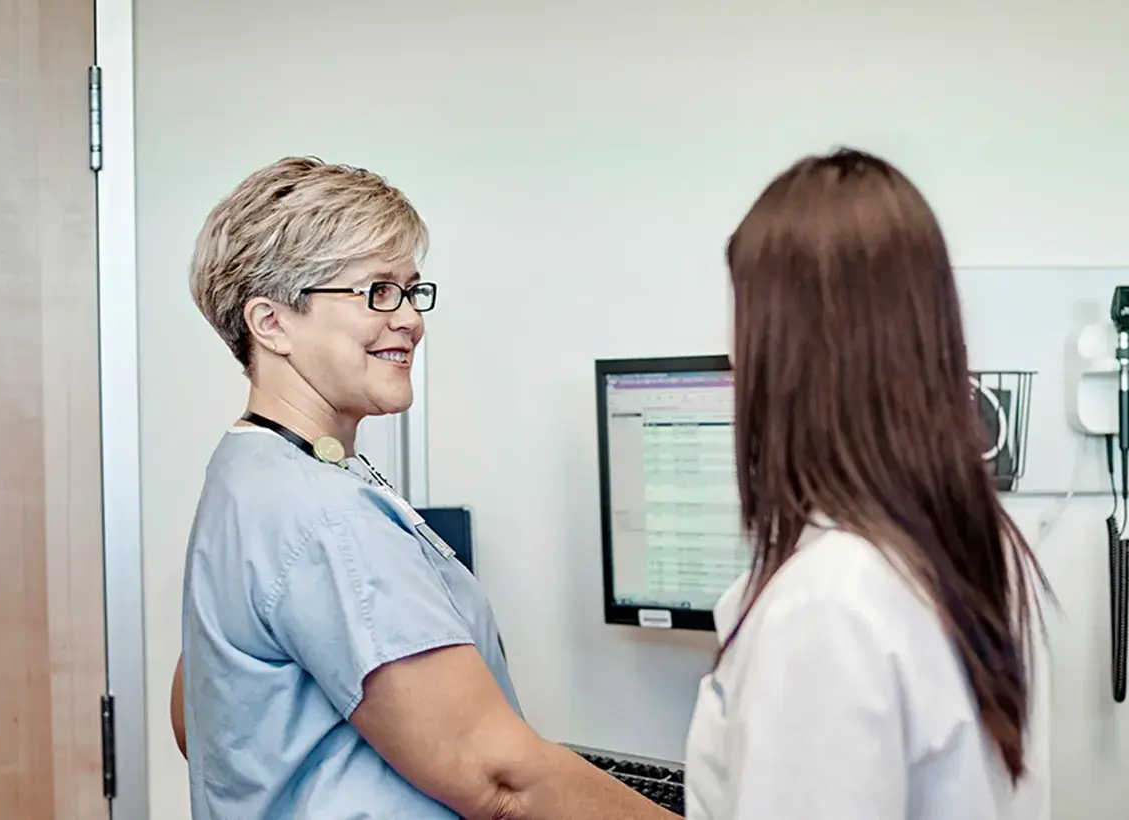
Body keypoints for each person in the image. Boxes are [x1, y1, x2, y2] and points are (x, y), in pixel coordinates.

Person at [176, 156, 677, 820]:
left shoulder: (250, 473)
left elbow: (202, 717)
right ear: (271, 324)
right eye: (378, 291)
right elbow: (502, 781)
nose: (410, 318)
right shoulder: (324, 515)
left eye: (412, 290)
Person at [682, 148, 1051, 820]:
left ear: (785, 347)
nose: (731, 349)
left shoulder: (827, 606)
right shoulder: (978, 549)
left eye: (744, 317)